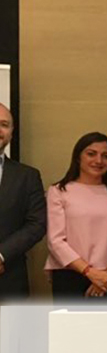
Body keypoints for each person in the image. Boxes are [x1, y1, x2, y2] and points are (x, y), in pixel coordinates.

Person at [45, 132, 107, 299]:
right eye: (91, 154)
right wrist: (90, 273)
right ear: (78, 157)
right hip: (70, 276)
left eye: (106, 156)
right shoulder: (58, 191)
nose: (99, 161)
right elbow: (55, 241)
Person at [0, 103, 46, 300]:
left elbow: (37, 224)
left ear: (11, 132)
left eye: (4, 124)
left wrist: (2, 255)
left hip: (8, 279)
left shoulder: (27, 176)